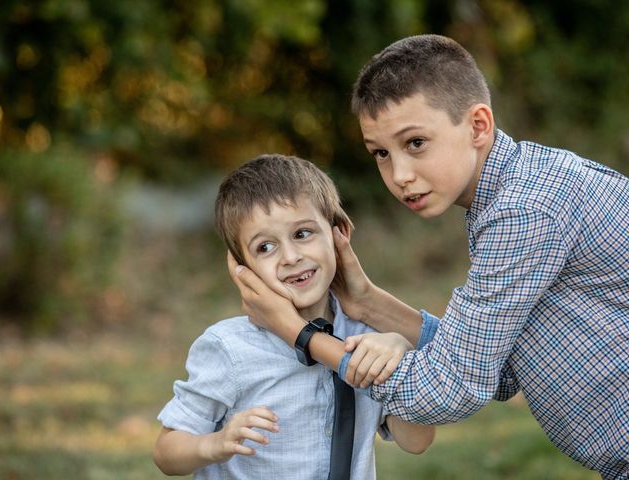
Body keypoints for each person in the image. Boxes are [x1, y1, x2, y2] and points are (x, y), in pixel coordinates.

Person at [227, 35, 629, 479]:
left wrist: (297, 332)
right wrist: (366, 302)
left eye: (415, 143)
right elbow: (500, 369)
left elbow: (448, 389)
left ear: (478, 126)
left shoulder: (524, 213)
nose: (399, 175)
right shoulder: (518, 189)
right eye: (381, 153)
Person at [153, 154, 435, 479]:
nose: (290, 257)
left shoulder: (369, 334)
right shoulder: (229, 348)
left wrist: (402, 355)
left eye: (302, 234)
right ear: (241, 267)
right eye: (265, 247)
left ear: (338, 233)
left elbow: (418, 442)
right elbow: (166, 452)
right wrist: (214, 444)